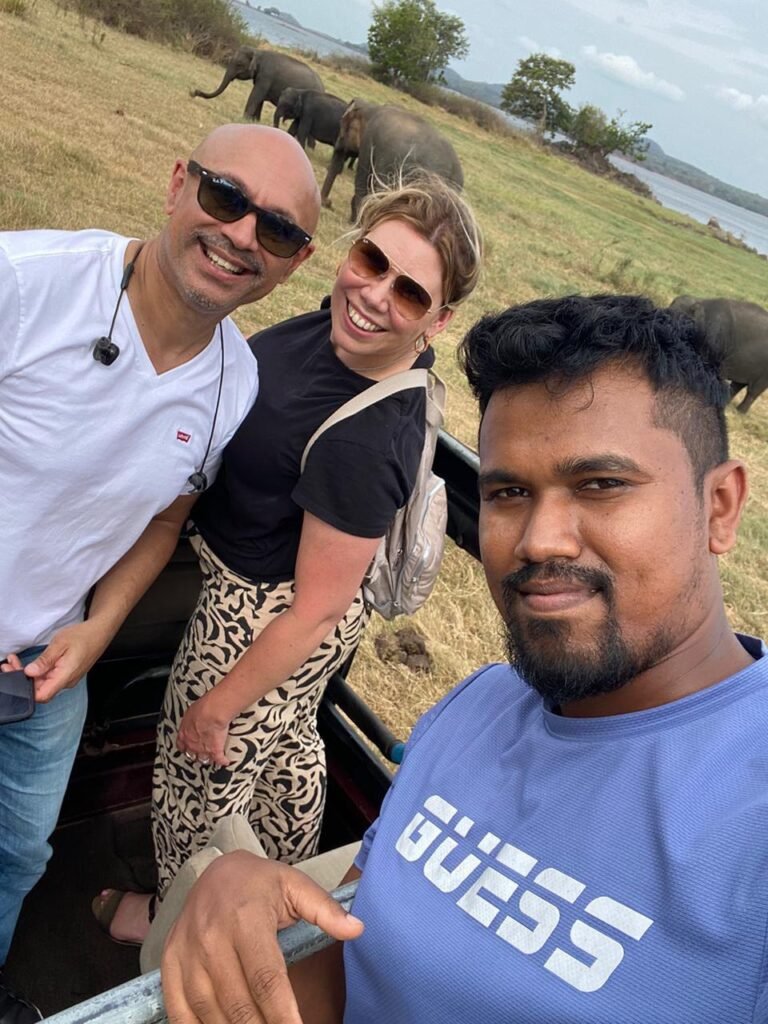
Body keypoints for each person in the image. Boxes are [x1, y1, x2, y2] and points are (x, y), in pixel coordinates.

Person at [161, 294, 768, 1024]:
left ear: (722, 507)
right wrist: (244, 893)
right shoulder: (479, 704)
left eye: (600, 485)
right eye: (509, 491)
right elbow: (354, 953)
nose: (540, 539)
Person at [95, 174, 484, 946]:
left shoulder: (366, 440)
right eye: (371, 260)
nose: (374, 295)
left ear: (436, 321)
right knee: (288, 747)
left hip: (260, 618)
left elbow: (315, 611)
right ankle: (292, 869)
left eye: (409, 293)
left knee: (194, 781)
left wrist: (218, 703)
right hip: (294, 616)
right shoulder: (336, 337)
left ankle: (175, 926)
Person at [0, 124, 319, 1024]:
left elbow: (166, 516)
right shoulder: (26, 285)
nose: (243, 235)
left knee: (20, 855)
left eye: (281, 231)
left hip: (46, 672)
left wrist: (98, 630)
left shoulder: (237, 382)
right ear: (178, 183)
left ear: (294, 264)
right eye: (225, 197)